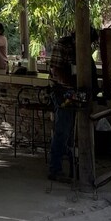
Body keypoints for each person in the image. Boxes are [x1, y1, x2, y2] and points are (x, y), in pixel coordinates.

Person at [48, 27, 98, 181]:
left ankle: (74, 168)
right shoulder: (62, 45)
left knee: (73, 133)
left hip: (79, 92)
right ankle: (55, 169)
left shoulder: (85, 50)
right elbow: (56, 70)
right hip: (62, 91)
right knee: (62, 129)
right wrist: (73, 84)